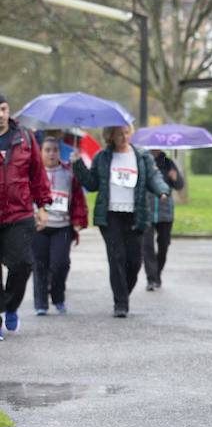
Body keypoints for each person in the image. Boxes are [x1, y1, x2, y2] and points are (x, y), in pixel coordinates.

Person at [71, 125, 169, 317]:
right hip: (110, 215)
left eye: (126, 133)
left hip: (135, 214)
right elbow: (91, 184)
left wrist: (162, 190)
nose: (124, 137)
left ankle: (123, 293)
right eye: (119, 134)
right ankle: (120, 303)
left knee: (134, 261)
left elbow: (153, 176)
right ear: (110, 136)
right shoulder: (102, 157)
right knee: (117, 258)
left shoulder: (141, 156)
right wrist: (78, 164)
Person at [0, 92, 52, 340]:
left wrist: (42, 207)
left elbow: (38, 175)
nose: (0, 115)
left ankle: (10, 306)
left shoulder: (24, 138)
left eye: (3, 109)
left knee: (22, 264)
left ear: (9, 111)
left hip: (18, 213)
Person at [32, 136, 88, 315]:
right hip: (39, 226)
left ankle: (58, 297)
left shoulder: (68, 173)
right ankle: (41, 303)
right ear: (40, 153)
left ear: (59, 152)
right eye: (47, 150)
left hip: (62, 227)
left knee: (60, 264)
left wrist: (79, 220)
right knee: (39, 265)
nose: (51, 154)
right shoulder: (33, 174)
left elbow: (78, 199)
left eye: (55, 150)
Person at [143, 149, 184, 291]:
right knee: (147, 245)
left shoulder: (168, 162)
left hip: (165, 211)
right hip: (146, 209)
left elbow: (179, 185)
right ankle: (151, 279)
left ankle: (157, 273)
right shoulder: (143, 161)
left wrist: (175, 177)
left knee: (164, 245)